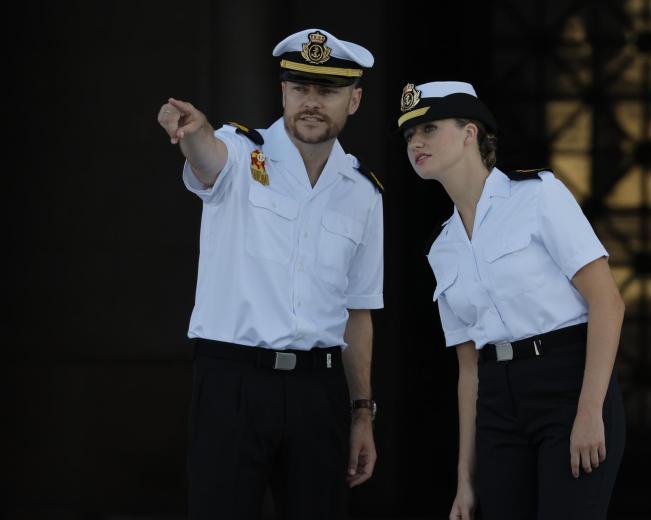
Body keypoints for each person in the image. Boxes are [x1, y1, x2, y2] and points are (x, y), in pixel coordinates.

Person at [157, 28, 383, 520]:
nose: (311, 102)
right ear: (283, 92)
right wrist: (193, 131)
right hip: (234, 381)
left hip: (318, 391)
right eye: (300, 88)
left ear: (355, 100)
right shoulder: (241, 151)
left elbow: (358, 312)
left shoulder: (363, 192)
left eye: (328, 91)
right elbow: (206, 161)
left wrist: (362, 412)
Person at [397, 81, 626, 519]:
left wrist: (590, 412)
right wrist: (464, 479)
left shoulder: (539, 196)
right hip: (498, 404)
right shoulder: (440, 247)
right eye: (409, 136)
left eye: (428, 128)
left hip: (568, 386)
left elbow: (608, 303)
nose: (416, 143)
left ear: (470, 134)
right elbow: (468, 369)